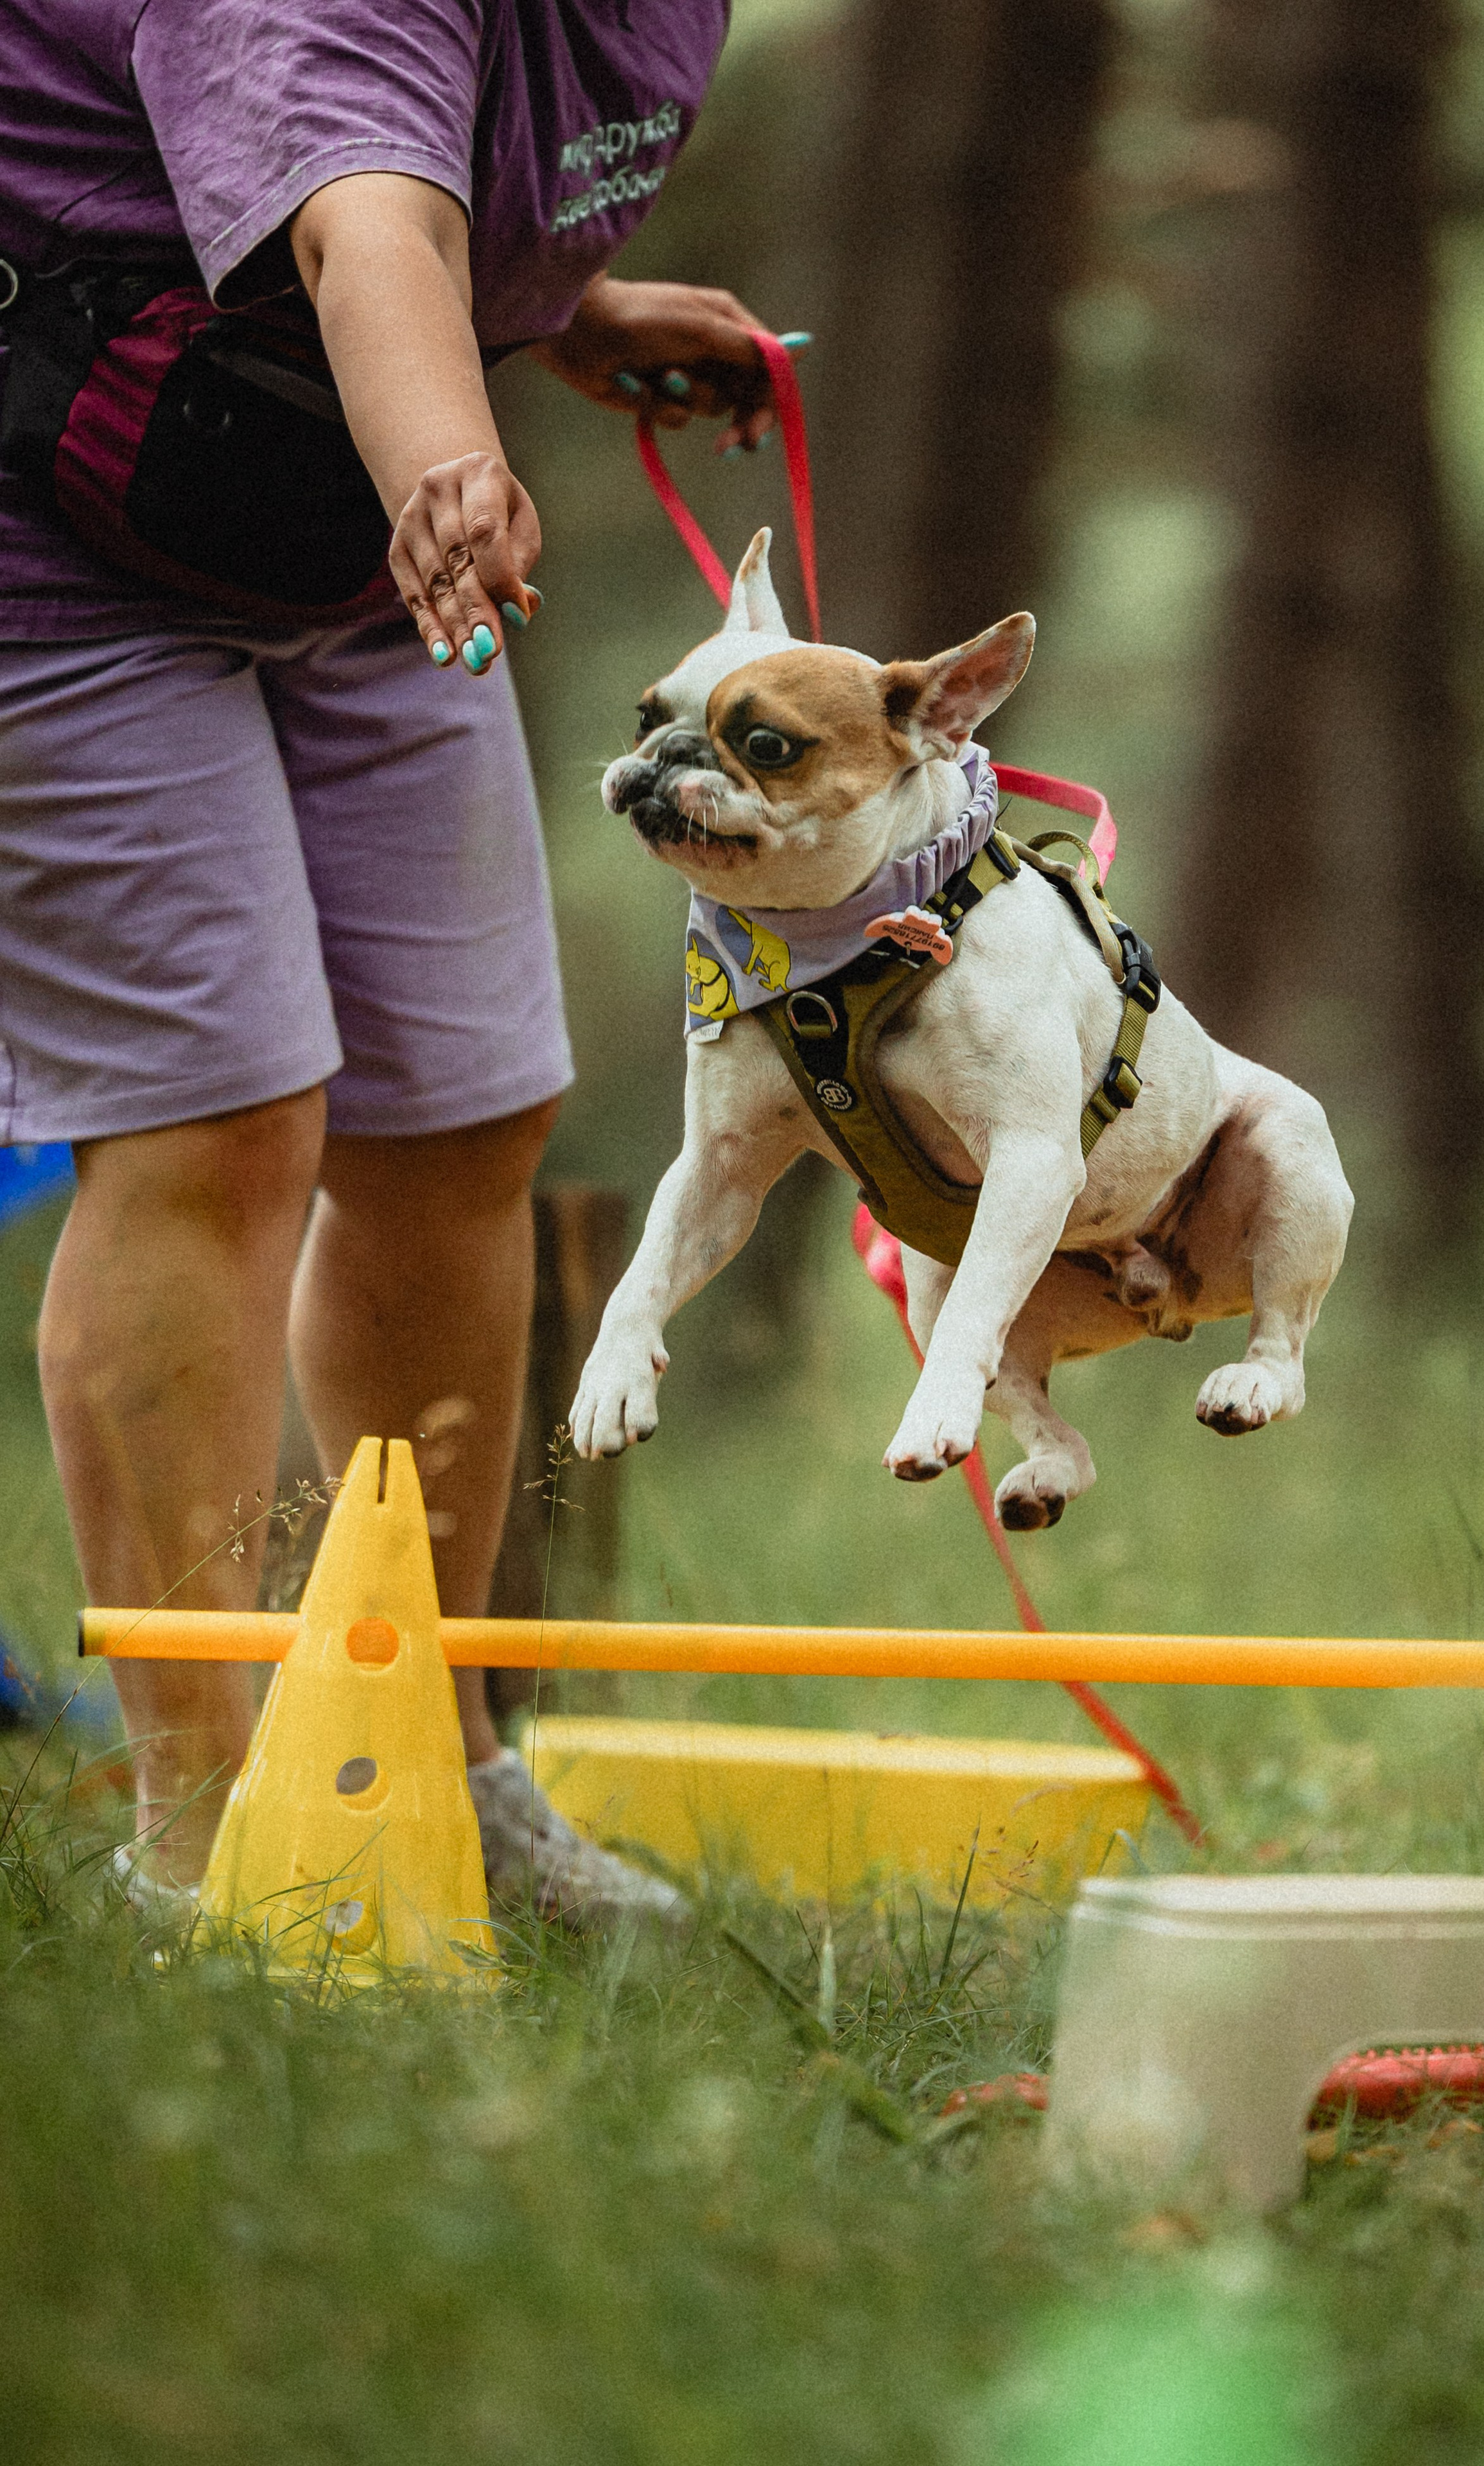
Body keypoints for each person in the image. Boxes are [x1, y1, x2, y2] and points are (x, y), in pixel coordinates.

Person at [0, 0, 780, 1925]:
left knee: (459, 1112)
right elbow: (358, 210)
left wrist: (574, 307)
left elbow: (446, 172)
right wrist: (452, 460)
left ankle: (415, 1755)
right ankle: (209, 1841)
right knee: (219, 1123)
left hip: (330, 525)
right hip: (60, 526)